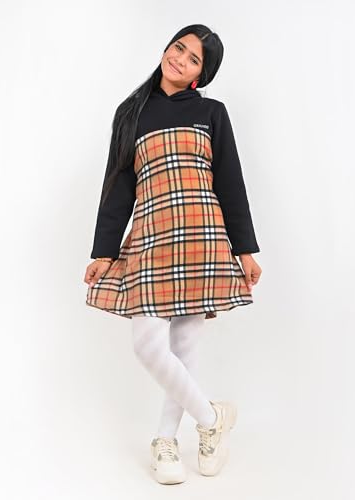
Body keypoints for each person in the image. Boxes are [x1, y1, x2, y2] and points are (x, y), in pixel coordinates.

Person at [83, 24, 262, 484]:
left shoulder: (211, 113)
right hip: (151, 237)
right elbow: (118, 185)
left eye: (193, 58)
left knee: (183, 349)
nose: (180, 58)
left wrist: (245, 250)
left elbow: (231, 182)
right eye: (178, 47)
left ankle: (166, 441)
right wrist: (104, 251)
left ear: (201, 74)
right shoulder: (132, 113)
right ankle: (212, 419)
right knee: (147, 344)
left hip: (203, 236)